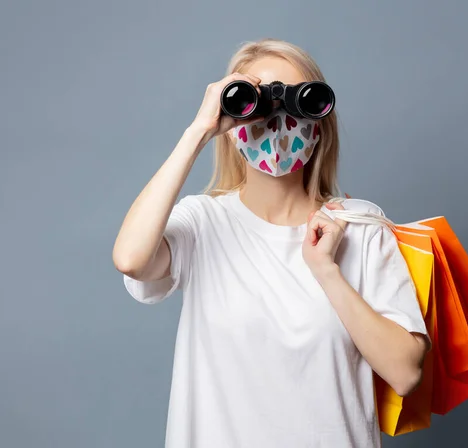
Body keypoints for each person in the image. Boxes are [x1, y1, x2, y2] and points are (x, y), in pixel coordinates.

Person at [112, 38, 430, 448]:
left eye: (297, 101)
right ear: (231, 124)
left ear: (318, 121)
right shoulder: (203, 223)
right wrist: (199, 131)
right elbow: (131, 259)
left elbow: (405, 374)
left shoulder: (360, 227)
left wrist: (327, 271)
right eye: (258, 100)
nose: (278, 119)